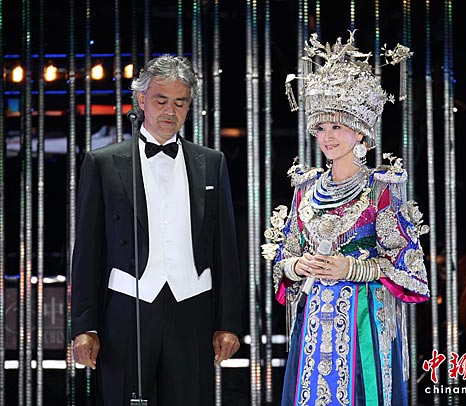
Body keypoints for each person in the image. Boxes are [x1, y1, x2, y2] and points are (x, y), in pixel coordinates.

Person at [262, 31, 430, 405]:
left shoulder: (380, 188)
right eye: (321, 128)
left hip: (363, 320)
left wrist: (351, 268)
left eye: (337, 126)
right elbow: (283, 259)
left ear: (360, 132)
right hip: (313, 322)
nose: (327, 137)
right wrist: (298, 265)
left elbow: (407, 263)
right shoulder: (306, 188)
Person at [71, 55, 242, 406]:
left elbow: (225, 249)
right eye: (161, 100)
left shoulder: (212, 163)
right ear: (141, 100)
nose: (170, 111)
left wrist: (228, 323)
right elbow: (87, 250)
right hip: (127, 308)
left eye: (180, 103)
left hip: (192, 307)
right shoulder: (103, 163)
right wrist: (85, 326)